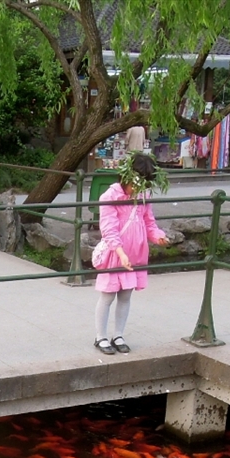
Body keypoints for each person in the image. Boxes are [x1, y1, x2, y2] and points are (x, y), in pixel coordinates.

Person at [93, 152, 169, 355]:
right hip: (116, 254)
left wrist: (158, 236)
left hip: (135, 254)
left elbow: (149, 222)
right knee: (108, 296)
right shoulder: (110, 196)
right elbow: (109, 229)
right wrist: (120, 252)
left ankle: (118, 334)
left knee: (126, 296)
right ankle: (100, 336)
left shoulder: (143, 196)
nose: (142, 187)